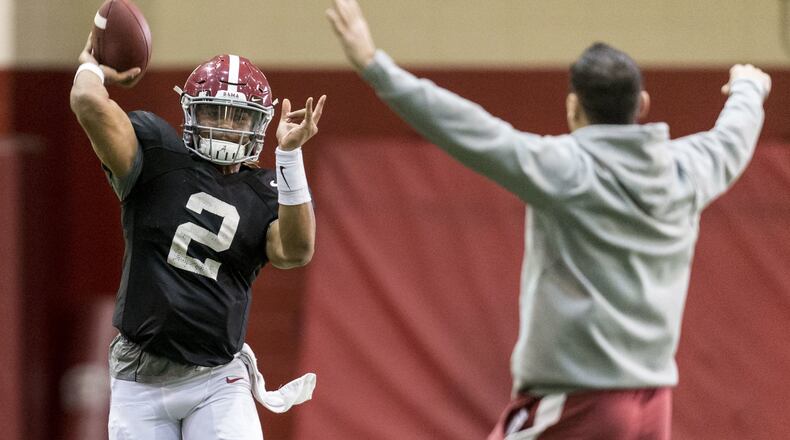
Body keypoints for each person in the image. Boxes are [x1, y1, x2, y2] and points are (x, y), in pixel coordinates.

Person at [326, 1, 771, 438]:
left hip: (579, 401)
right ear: (643, 104)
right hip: (654, 403)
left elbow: (468, 128)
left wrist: (372, 65)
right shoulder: (686, 170)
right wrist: (749, 88)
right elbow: (733, 135)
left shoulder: (564, 171)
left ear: (573, 107)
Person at [70, 32, 326, 439]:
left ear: (258, 123)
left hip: (216, 379)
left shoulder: (264, 190)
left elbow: (296, 251)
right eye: (215, 112)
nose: (226, 126)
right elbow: (87, 103)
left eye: (238, 116)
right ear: (191, 112)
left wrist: (290, 158)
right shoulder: (155, 156)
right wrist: (92, 67)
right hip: (140, 378)